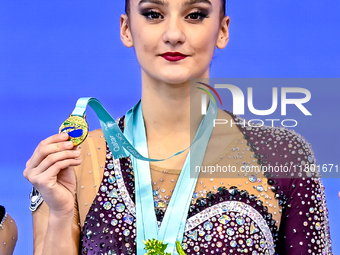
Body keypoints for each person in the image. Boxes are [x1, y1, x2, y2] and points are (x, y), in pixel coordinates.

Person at [23, 0, 332, 254]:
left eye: (195, 15)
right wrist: (62, 217)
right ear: (126, 28)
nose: (173, 33)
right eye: (153, 14)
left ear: (222, 30)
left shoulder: (284, 155)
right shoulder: (74, 158)